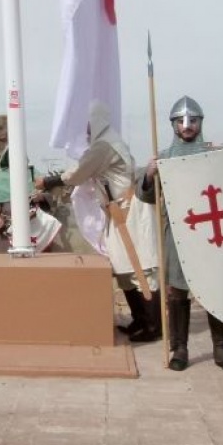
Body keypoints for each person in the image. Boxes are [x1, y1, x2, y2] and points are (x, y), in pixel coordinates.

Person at [35, 100, 161, 343]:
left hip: (129, 212)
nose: (87, 131)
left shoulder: (105, 145)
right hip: (117, 212)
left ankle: (153, 325)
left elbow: (79, 172)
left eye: (89, 125)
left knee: (139, 268)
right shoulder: (107, 142)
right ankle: (140, 320)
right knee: (123, 268)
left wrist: (48, 182)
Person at [136, 95, 223, 372]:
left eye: (193, 120)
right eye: (181, 121)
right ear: (173, 125)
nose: (187, 125)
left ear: (200, 123)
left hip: (210, 233)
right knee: (177, 292)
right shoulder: (165, 159)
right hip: (177, 234)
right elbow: (147, 197)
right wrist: (149, 174)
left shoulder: (212, 155)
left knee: (214, 288)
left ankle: (220, 348)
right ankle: (179, 348)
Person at [0, 148, 67, 254]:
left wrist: (40, 197)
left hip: (32, 222)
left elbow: (48, 195)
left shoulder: (33, 173)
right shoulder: (0, 176)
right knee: (2, 260)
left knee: (34, 258)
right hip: (6, 225)